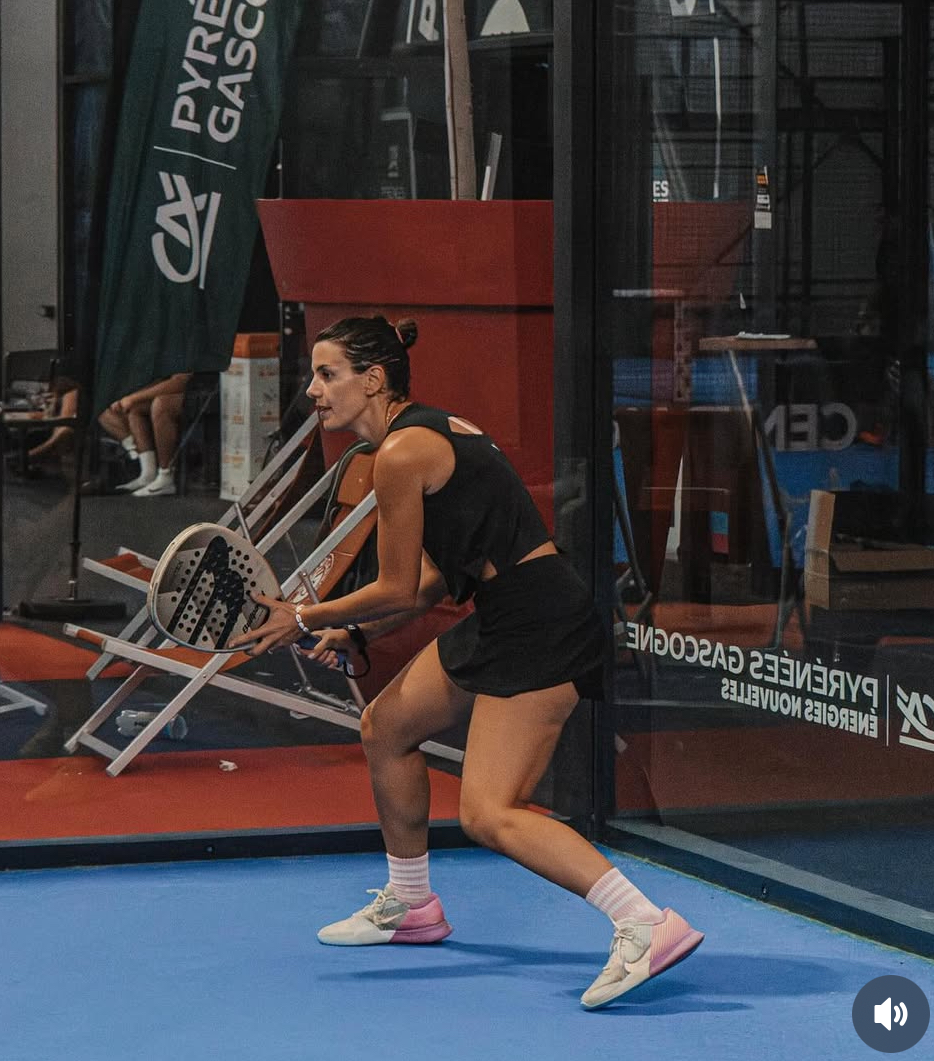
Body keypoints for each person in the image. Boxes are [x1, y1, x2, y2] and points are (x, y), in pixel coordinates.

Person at [235, 314, 704, 1010]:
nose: (313, 390)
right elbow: (428, 582)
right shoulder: (419, 438)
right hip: (505, 611)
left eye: (327, 374)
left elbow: (396, 587)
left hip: (540, 623)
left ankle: (643, 922)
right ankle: (412, 904)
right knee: (386, 727)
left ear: (373, 379)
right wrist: (353, 630)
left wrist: (304, 616)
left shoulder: (401, 454)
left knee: (490, 813)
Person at [98, 373, 192, 496]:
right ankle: (147, 473)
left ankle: (166, 476)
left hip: (199, 391)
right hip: (174, 391)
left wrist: (134, 397)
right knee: (135, 408)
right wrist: (126, 397)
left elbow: (180, 382)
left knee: (161, 405)